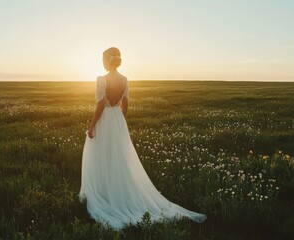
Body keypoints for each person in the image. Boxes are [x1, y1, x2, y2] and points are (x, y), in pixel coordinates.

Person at [79, 47, 207, 230]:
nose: (102, 62)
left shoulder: (101, 79)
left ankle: (105, 193)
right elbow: (126, 103)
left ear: (108, 61)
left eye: (103, 59)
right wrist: (121, 122)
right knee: (118, 157)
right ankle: (117, 190)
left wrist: (91, 126)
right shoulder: (124, 80)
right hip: (117, 120)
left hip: (106, 119)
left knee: (103, 155)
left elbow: (100, 104)